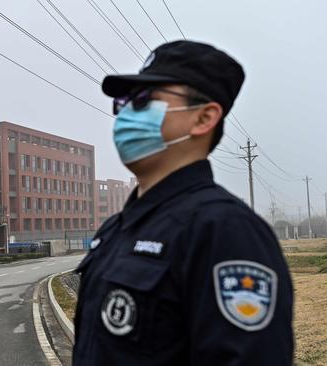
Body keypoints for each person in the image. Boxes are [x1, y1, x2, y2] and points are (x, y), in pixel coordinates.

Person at [73, 40, 293, 365]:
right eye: (124, 102)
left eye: (145, 100)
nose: (127, 114)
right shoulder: (114, 230)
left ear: (204, 118)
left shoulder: (226, 231)